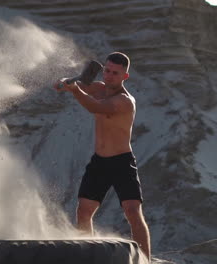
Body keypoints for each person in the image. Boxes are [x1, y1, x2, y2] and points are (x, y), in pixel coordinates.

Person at [54, 52, 151, 261]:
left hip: (122, 161)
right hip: (99, 161)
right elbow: (65, 86)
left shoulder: (125, 101)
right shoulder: (98, 88)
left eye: (115, 73)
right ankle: (86, 258)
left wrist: (75, 90)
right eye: (107, 70)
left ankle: (145, 260)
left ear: (125, 76)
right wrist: (64, 83)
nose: (109, 75)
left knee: (133, 211)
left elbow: (94, 106)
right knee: (84, 211)